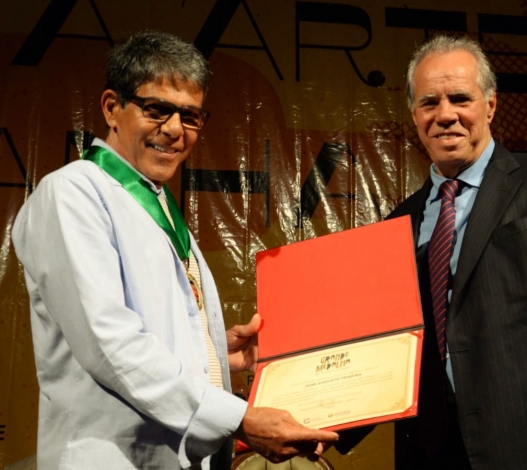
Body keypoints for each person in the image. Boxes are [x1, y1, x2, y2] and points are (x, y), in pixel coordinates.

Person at [11, 30, 338, 470]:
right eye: (157, 109)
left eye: (190, 115)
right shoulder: (73, 194)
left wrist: (212, 352)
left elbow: (144, 328)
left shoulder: (156, 201)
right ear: (111, 107)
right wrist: (240, 420)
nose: (174, 129)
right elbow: (110, 343)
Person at [339, 34, 527, 469]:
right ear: (414, 115)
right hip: (430, 455)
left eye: (460, 98)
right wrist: (308, 416)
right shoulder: (397, 223)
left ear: (491, 105)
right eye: (429, 103)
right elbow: (381, 353)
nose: (445, 114)